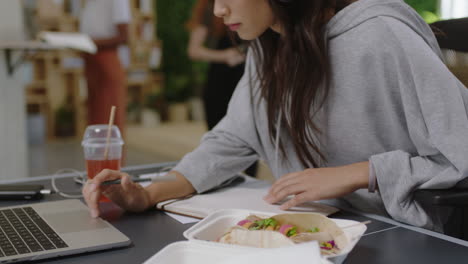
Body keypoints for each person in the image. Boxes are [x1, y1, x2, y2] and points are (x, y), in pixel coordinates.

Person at [83, 0, 468, 232]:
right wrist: (147, 194)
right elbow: (230, 141)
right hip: (312, 233)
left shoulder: (381, 37)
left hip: (393, 236)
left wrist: (359, 172)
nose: (218, 10)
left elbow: (461, 151)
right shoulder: (268, 49)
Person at [186, 0, 258, 176]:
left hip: (248, 75)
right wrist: (224, 56)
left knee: (252, 137)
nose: (221, 10)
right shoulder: (210, 9)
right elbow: (194, 50)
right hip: (221, 80)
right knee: (221, 138)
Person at [80, 0, 131, 136]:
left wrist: (91, 42)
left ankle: (112, 156)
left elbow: (124, 36)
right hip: (90, 58)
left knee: (110, 115)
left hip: (106, 59)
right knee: (95, 115)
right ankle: (95, 155)